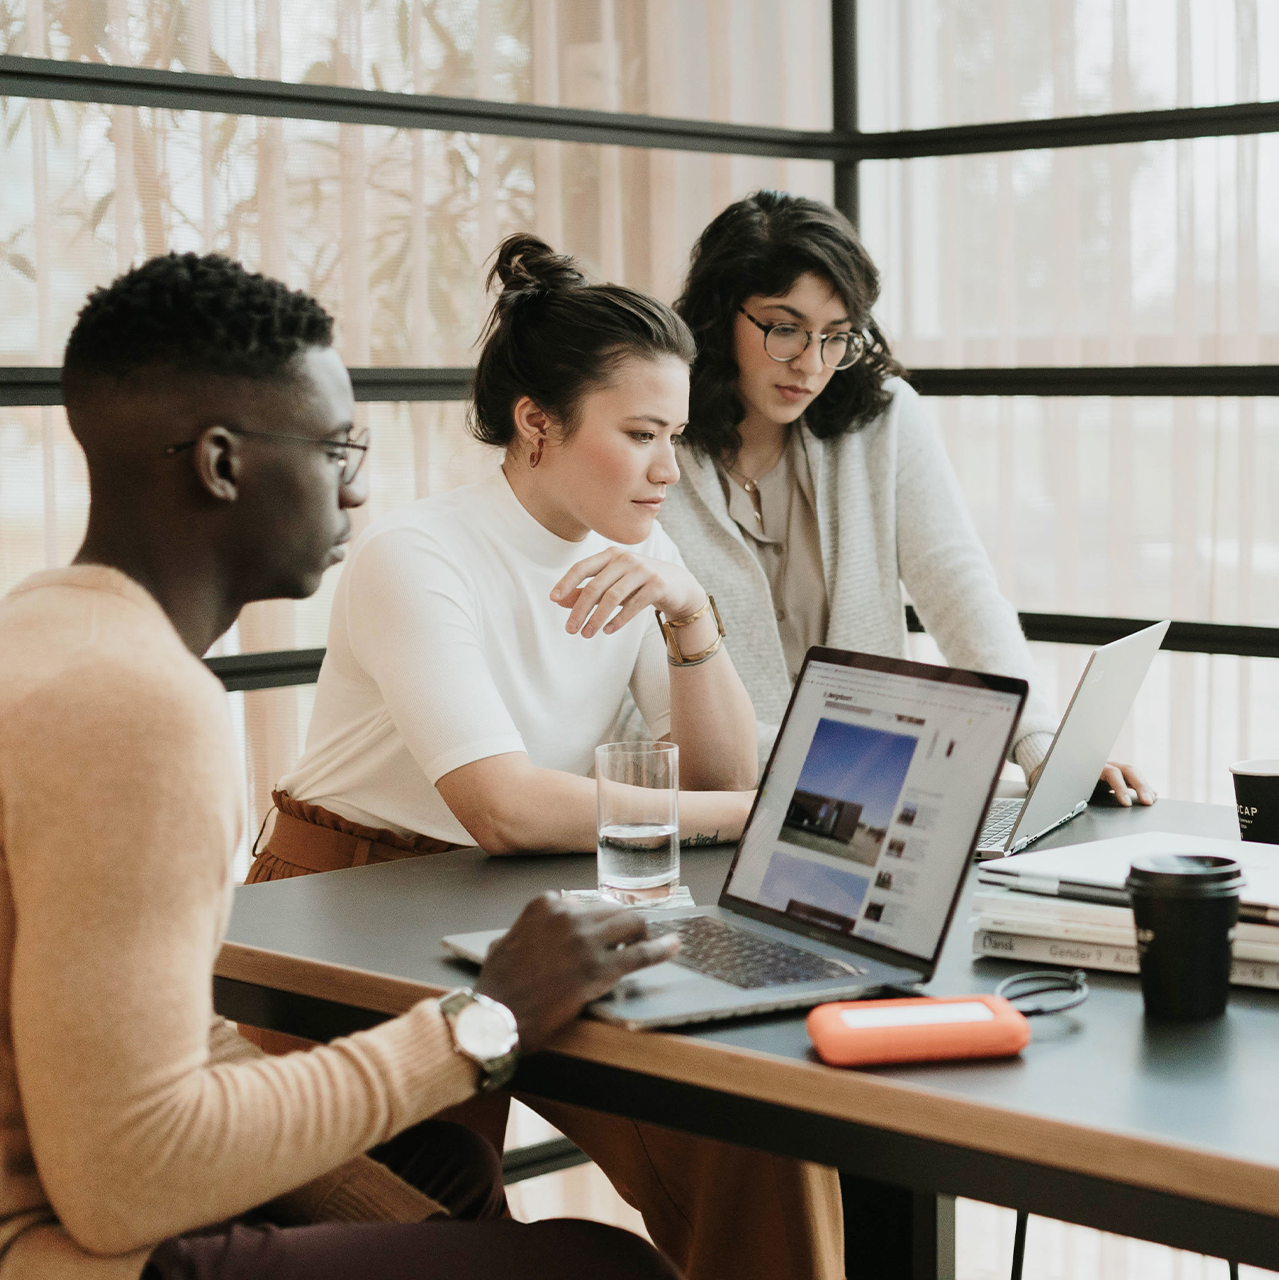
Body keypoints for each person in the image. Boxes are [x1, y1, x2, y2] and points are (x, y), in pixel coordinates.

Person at [0, 252, 684, 1278]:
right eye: (335, 448)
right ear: (221, 464)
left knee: (439, 1168)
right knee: (600, 1266)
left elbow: (152, 1050)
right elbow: (129, 1178)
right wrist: (483, 1020)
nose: (358, 490)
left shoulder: (29, 633)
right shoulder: (133, 703)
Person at [253, 235, 842, 1280]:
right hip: (346, 912)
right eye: (641, 433)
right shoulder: (417, 557)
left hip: (528, 899)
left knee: (754, 1127)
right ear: (537, 424)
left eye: (677, 433)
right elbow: (507, 807)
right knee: (444, 1228)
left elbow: (721, 781)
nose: (671, 467)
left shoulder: (640, 547)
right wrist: (759, 818)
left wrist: (693, 618)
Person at [659, 191, 1154, 807]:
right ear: (717, 315)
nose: (812, 366)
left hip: (873, 796)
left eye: (836, 337)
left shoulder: (881, 419)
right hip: (719, 803)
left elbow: (956, 584)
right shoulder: (656, 449)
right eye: (785, 329)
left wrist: (1038, 744)